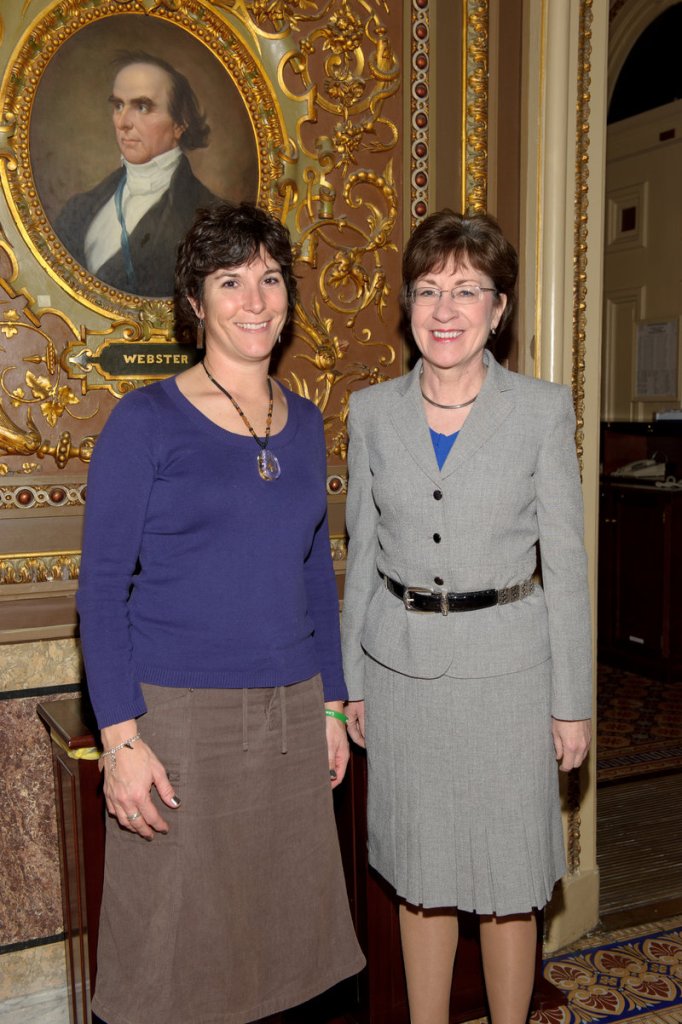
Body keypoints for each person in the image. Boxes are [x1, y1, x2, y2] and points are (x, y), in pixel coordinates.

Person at [77, 201, 365, 1024]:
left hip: (291, 712)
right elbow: (99, 591)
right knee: (168, 956)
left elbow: (316, 569)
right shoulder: (144, 423)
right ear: (195, 303)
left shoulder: (305, 423)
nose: (255, 299)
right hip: (178, 723)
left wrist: (333, 706)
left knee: (287, 946)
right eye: (230, 280)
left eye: (270, 278)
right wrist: (121, 743)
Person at [341, 210, 592, 1024]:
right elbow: (360, 559)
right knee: (422, 875)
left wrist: (572, 701)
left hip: (511, 677)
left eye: (466, 291)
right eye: (427, 291)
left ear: (499, 308)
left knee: (509, 882)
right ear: (408, 304)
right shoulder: (371, 412)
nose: (444, 311)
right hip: (400, 677)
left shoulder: (542, 411)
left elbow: (568, 564)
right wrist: (353, 688)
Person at [55, 51, 221, 297]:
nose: (122, 122)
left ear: (180, 124)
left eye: (142, 107)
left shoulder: (213, 219)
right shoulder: (80, 208)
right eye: (118, 105)